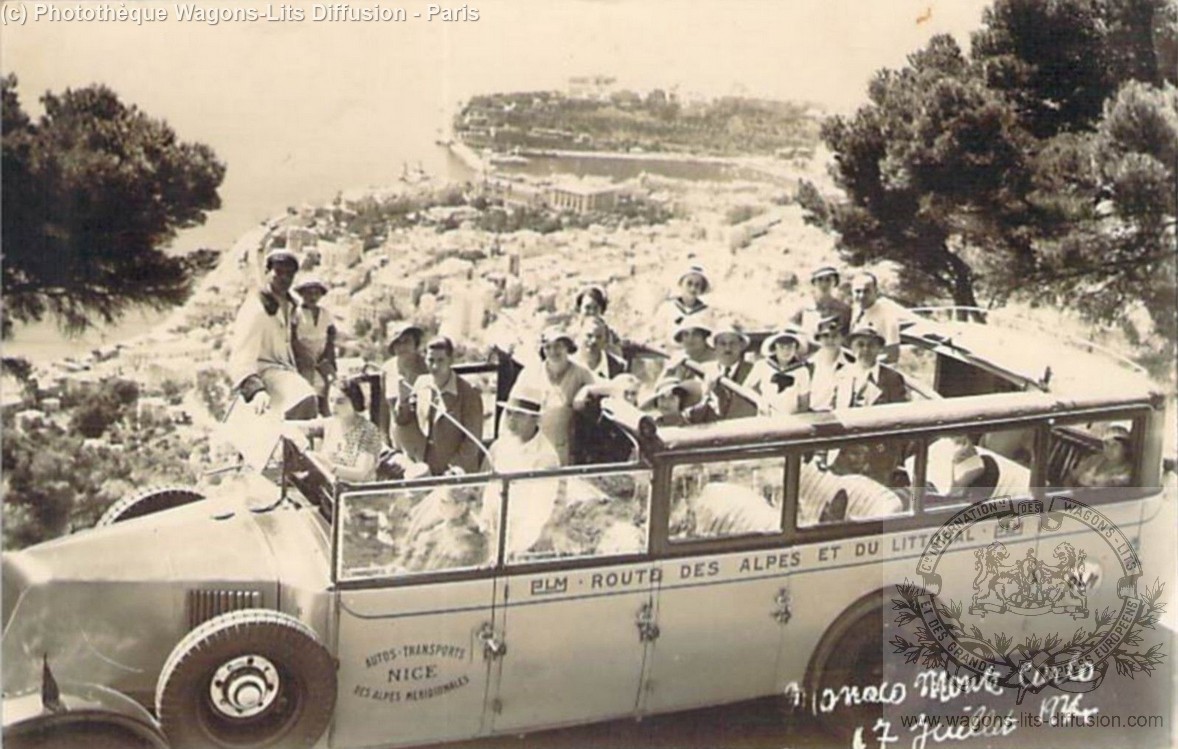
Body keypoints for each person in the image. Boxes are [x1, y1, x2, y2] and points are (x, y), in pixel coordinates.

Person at [228, 249, 317, 418]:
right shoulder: (255, 309)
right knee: (304, 397)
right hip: (264, 373)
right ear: (267, 272)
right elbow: (240, 359)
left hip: (286, 370)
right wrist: (255, 391)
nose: (284, 278)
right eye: (279, 272)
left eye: (289, 274)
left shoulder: (291, 306)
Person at [479, 385, 562, 556]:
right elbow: (488, 489)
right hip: (492, 533)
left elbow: (538, 514)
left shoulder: (546, 458)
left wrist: (513, 548)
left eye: (519, 414)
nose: (512, 419)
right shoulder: (501, 445)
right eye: (509, 413)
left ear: (535, 419)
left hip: (520, 546)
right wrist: (485, 524)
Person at [394, 336, 486, 476]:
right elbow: (404, 420)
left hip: (456, 474)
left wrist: (454, 470)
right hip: (425, 469)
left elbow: (473, 442)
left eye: (440, 360)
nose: (435, 366)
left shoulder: (468, 393)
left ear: (450, 360)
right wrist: (402, 400)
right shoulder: (421, 383)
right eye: (431, 360)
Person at [514, 327, 596, 465]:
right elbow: (512, 406)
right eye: (547, 347)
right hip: (531, 444)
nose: (553, 352)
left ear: (567, 347)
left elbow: (606, 386)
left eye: (558, 346)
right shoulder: (530, 372)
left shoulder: (580, 372)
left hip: (562, 446)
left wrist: (586, 390)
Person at [286, 380, 383, 483]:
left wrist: (330, 467)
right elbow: (293, 426)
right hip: (332, 488)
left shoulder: (368, 431)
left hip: (357, 492)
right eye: (331, 400)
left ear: (355, 402)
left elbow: (362, 474)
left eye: (340, 402)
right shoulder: (330, 423)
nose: (333, 406)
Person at [685, 324, 757, 422]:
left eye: (733, 343)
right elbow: (692, 413)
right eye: (722, 344)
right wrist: (707, 391)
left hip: (746, 430)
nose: (728, 348)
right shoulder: (703, 370)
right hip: (713, 432)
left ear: (741, 346)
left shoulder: (754, 370)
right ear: (715, 347)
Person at [292, 276, 337, 416]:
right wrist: (303, 356)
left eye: (316, 293)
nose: (312, 297)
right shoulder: (296, 313)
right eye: (308, 293)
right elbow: (291, 337)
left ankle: (326, 415)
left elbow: (331, 335)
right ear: (302, 294)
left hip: (321, 357)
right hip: (302, 359)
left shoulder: (325, 313)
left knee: (330, 383)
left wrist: (327, 358)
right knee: (307, 389)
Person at [380, 322, 428, 448]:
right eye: (397, 343)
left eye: (406, 341)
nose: (402, 347)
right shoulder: (387, 369)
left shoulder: (426, 368)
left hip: (424, 442)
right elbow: (384, 408)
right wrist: (384, 439)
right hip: (397, 440)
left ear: (415, 343)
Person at [747, 328, 812, 416]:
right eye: (781, 347)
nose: (786, 351)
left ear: (796, 348)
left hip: (790, 419)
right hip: (766, 417)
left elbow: (804, 402)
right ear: (775, 347)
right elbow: (747, 387)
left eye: (790, 347)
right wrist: (760, 402)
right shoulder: (762, 365)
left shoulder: (802, 371)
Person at [849, 272, 905, 363]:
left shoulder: (887, 315)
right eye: (857, 291)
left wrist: (867, 365)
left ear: (876, 291)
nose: (862, 296)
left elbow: (893, 356)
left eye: (866, 291)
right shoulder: (856, 309)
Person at [791, 266, 852, 338]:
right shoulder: (804, 307)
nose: (824, 284)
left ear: (835, 282)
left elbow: (846, 336)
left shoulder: (844, 310)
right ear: (814, 282)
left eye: (828, 280)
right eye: (820, 280)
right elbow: (792, 327)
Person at [655, 265, 711, 343]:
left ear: (702, 289)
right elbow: (657, 335)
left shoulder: (706, 312)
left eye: (697, 285)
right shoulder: (667, 307)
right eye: (689, 283)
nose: (693, 288)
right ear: (681, 284)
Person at [808, 315, 853, 411]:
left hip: (844, 417)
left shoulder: (852, 362)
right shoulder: (809, 366)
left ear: (842, 338)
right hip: (814, 417)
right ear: (819, 339)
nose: (830, 340)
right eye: (825, 336)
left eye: (834, 336)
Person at [1066, 425, 1133, 489]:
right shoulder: (1094, 459)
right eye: (1106, 444)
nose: (1110, 448)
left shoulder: (1127, 471)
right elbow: (1071, 477)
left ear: (1125, 448)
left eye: (1115, 445)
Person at [575, 315, 626, 381]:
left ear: (605, 341)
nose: (594, 341)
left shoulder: (619, 367)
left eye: (599, 337)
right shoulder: (566, 364)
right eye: (589, 336)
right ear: (580, 336)